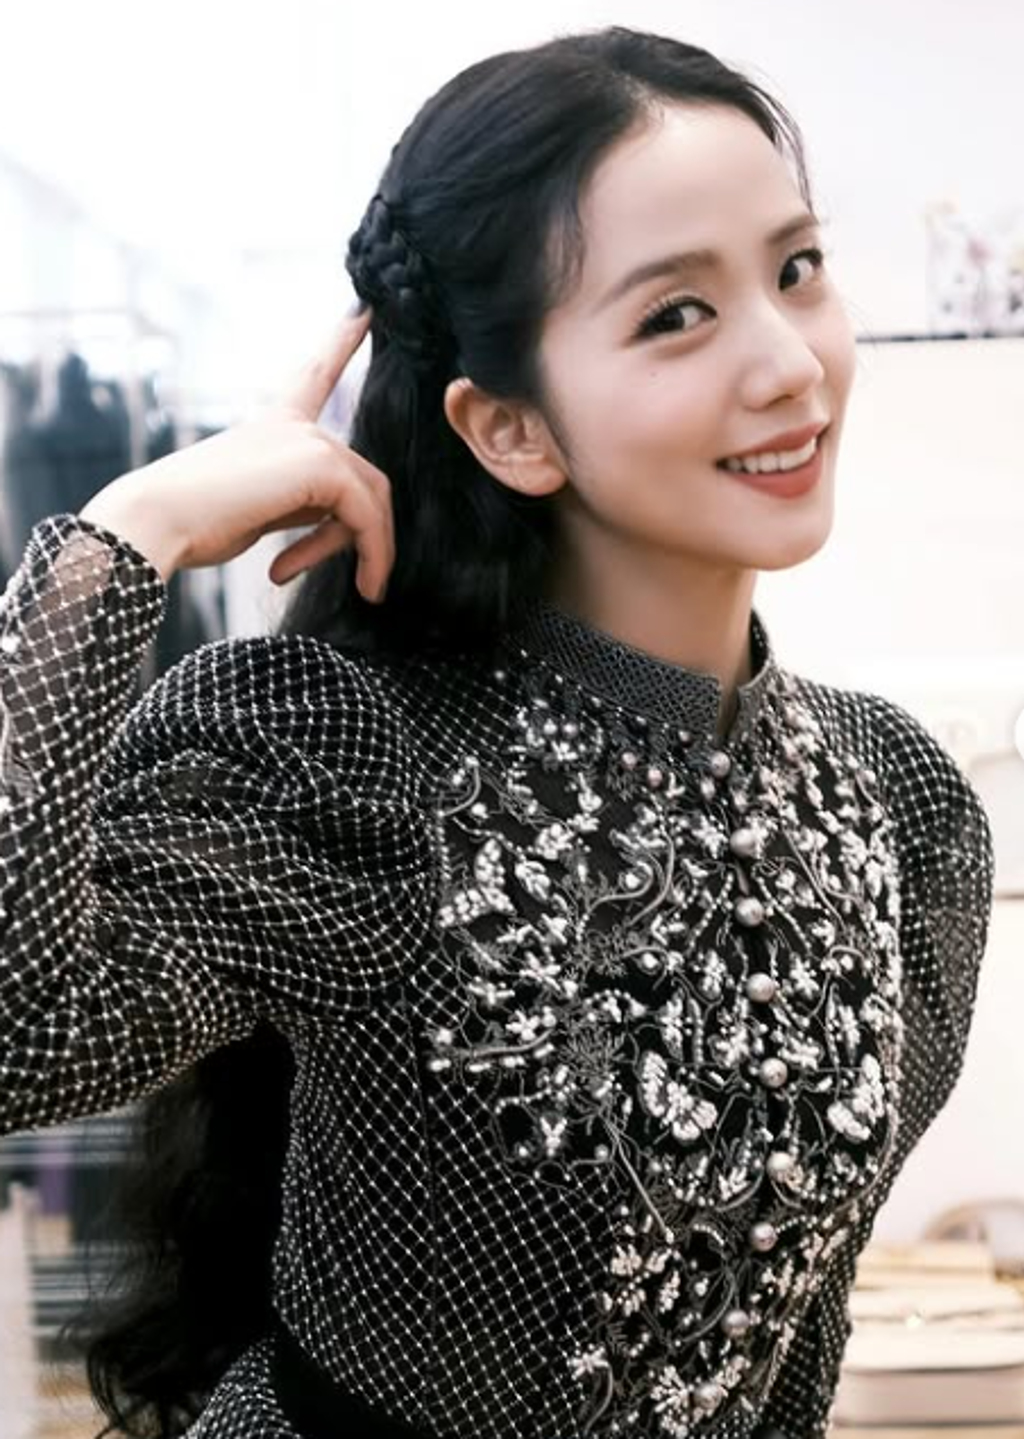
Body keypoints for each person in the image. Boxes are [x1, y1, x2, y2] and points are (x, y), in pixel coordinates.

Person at [0, 26, 993, 1439]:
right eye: (676, 314)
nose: (790, 363)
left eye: (796, 269)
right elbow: (21, 1036)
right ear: (511, 428)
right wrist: (130, 534)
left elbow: (795, 1326)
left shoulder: (899, 800)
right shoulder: (350, 751)